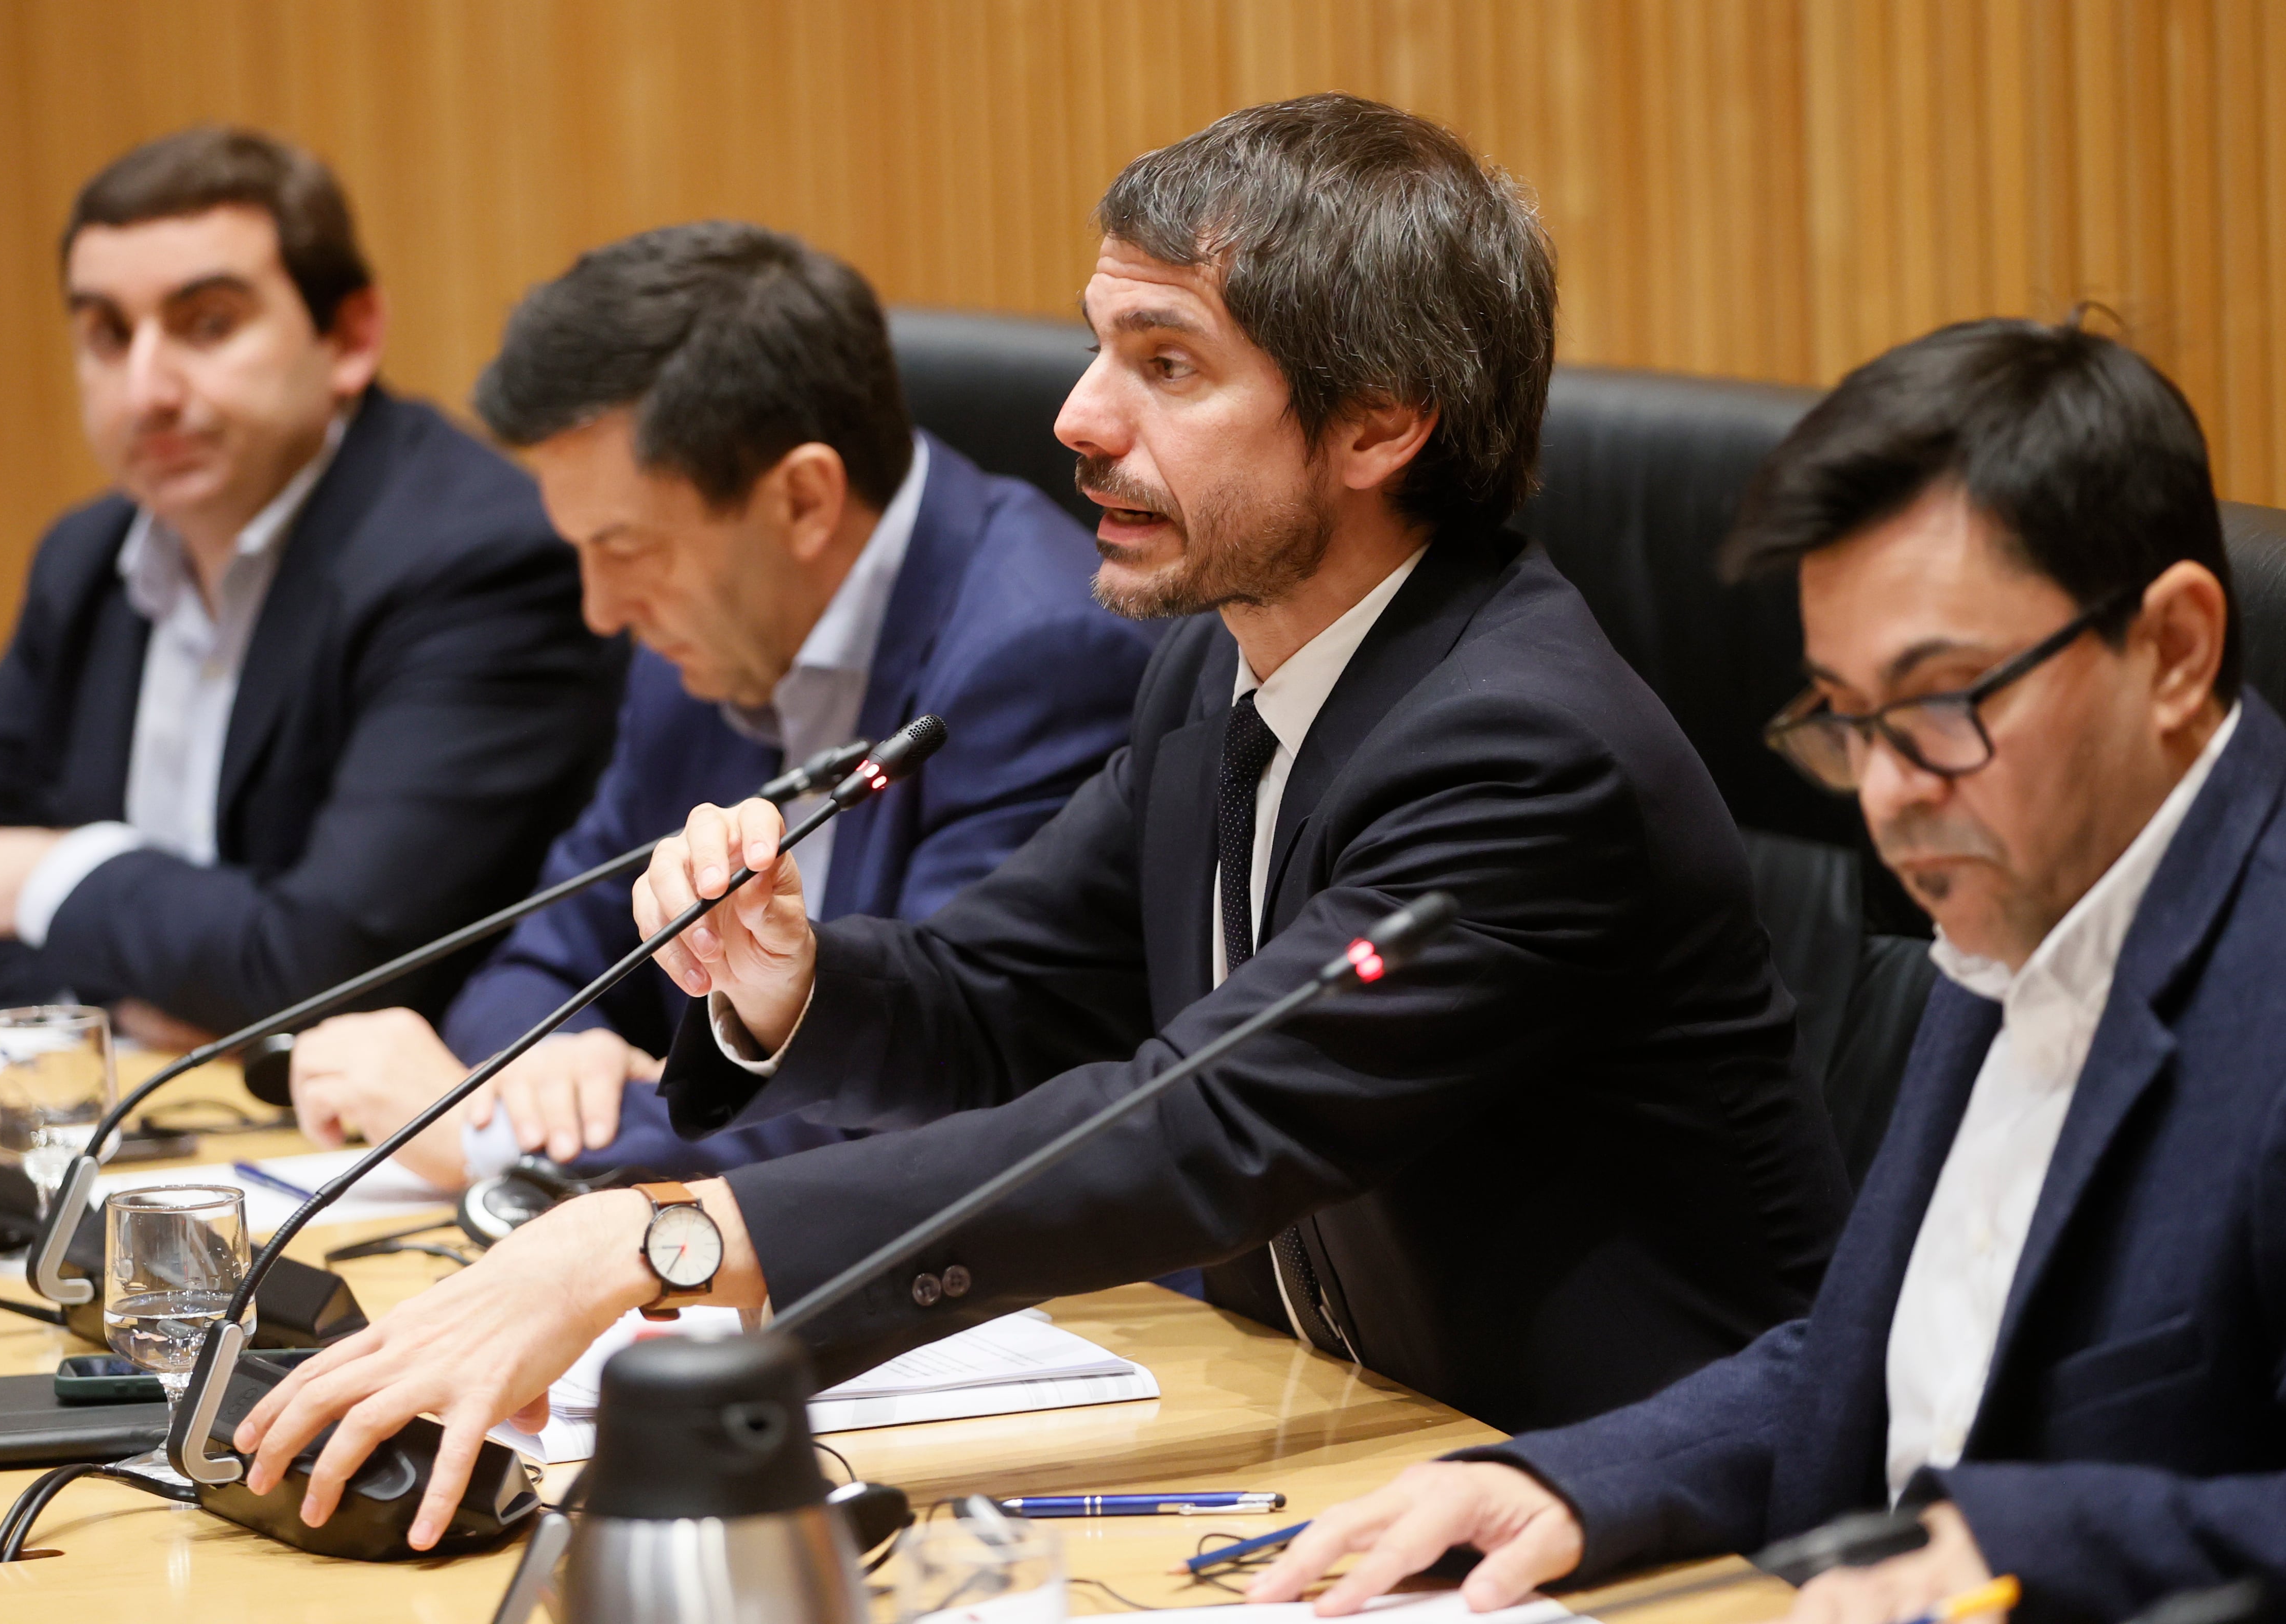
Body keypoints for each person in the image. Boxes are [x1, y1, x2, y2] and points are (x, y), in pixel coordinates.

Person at [235, 92, 1851, 1550]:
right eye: (1097, 349)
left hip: (1627, 1521)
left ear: (1380, 425)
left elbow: (1198, 1127)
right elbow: (1008, 1003)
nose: (1078, 419)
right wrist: (792, 976)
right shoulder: (1218, 670)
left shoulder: (1519, 749)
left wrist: (653, 1244)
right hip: (1341, 1456)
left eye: (1167, 365)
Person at [1245, 317, 2286, 1624]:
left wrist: (2015, 1546)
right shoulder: (2025, 891)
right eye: (1849, 722)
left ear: (2176, 648)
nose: (1891, 798)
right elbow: (1888, 1360)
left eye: (1944, 702)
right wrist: (1574, 1484)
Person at [283, 221, 1158, 1190]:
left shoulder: (1039, 660)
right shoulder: (699, 639)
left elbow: (927, 1099)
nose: (600, 609)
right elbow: (543, 961)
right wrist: (553, 1067)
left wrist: (501, 1142)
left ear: (803, 501)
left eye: (624, 548)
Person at [0, 127, 619, 1040]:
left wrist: (44, 880)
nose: (147, 392)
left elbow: (327, 967)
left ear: (350, 337)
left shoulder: (474, 563)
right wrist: (115, 1002)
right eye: (106, 335)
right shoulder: (90, 561)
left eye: (206, 325)